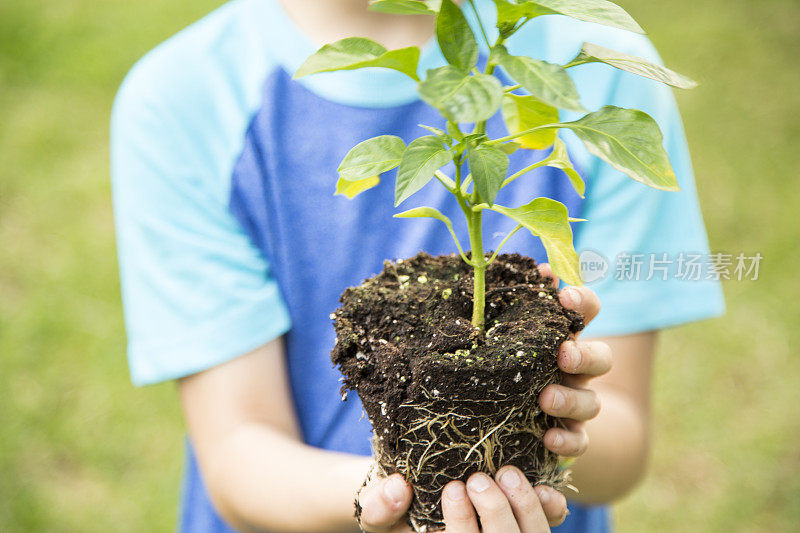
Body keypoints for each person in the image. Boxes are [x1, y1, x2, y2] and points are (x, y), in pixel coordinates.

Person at [110, 0, 724, 531]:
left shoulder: (594, 65)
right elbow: (238, 449)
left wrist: (556, 435)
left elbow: (624, 431)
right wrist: (392, 499)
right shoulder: (187, 98)